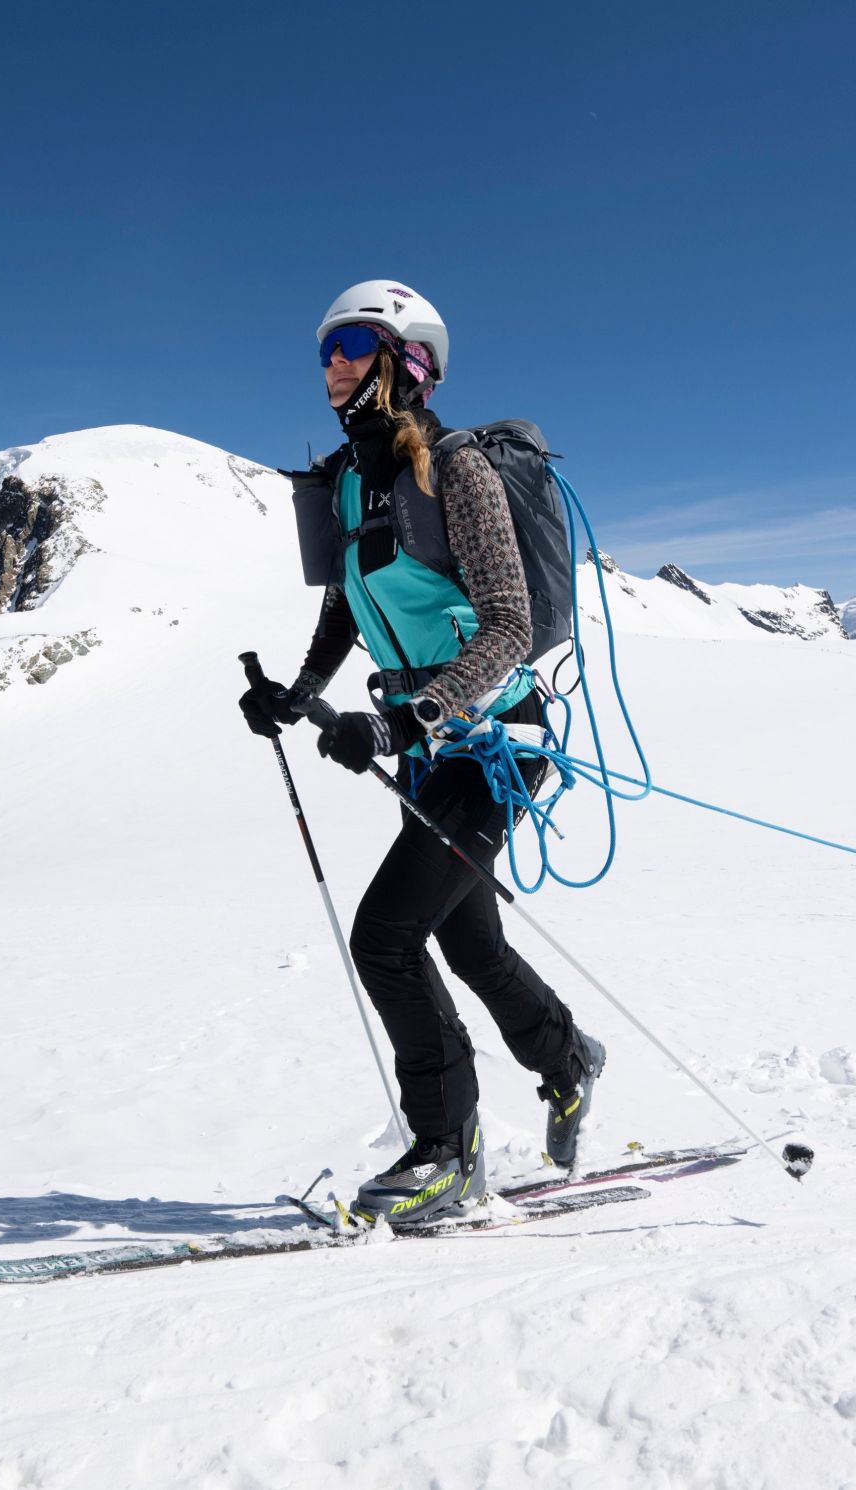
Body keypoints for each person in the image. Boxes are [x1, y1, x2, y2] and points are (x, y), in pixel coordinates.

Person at [237, 280, 604, 1224]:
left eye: (354, 343)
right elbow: (343, 606)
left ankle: (447, 1151)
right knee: (467, 937)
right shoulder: (352, 480)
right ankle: (568, 1061)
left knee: (387, 935)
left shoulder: (456, 469)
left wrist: (412, 719)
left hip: (497, 748)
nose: (333, 364)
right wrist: (297, 694)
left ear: (409, 361)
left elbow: (510, 626)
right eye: (324, 349)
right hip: (437, 746)